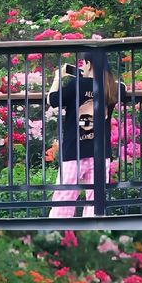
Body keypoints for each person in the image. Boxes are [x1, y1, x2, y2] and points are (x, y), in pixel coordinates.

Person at [47, 50, 118, 217]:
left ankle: (59, 234)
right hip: (100, 153)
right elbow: (122, 88)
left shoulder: (77, 85)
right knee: (96, 202)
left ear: (88, 64)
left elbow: (52, 100)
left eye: (83, 63)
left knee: (64, 200)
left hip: (75, 151)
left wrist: (59, 76)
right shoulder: (112, 87)